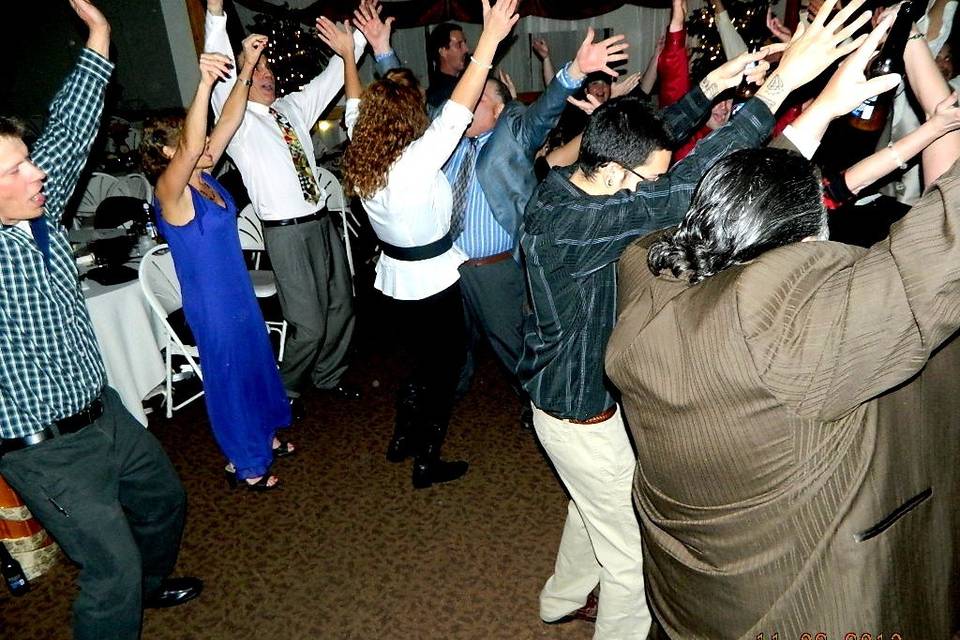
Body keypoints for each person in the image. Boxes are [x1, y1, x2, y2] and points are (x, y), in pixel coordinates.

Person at [517, 3, 898, 637]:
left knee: (595, 507)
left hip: (570, 402)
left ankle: (559, 599)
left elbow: (650, 138)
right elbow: (683, 187)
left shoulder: (573, 182)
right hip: (575, 408)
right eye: (640, 182)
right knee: (629, 552)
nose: (647, 193)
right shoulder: (570, 225)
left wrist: (707, 90)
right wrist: (779, 91)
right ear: (612, 173)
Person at [605, 19, 960, 640]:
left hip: (690, 596)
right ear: (801, 241)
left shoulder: (645, 274)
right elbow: (936, 255)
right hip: (798, 604)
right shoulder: (797, 329)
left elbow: (724, 207)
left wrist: (820, 108)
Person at [0, 2, 201, 638]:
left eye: (28, 159)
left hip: (103, 410)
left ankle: (149, 586)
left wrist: (100, 38)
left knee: (164, 503)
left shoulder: (37, 211)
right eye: (17, 168)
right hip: (44, 447)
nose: (38, 172)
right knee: (107, 570)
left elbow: (70, 130)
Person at [318, 0, 522, 488]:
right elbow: (458, 109)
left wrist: (353, 56)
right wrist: (489, 40)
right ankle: (426, 460)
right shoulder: (415, 161)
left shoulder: (364, 149)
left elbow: (353, 107)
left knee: (417, 364)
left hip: (392, 281)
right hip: (433, 282)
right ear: (406, 118)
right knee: (443, 371)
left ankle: (403, 436)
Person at [203, 0, 396, 414]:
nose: (267, 75)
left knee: (342, 306)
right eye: (258, 71)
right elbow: (221, 72)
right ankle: (284, 390)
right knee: (308, 324)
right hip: (285, 233)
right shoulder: (234, 120)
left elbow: (333, 77)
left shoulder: (290, 109)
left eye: (270, 70)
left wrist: (361, 37)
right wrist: (215, 12)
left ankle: (329, 376)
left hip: (320, 222)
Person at [141, 37, 294, 490]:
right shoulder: (169, 193)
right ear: (169, 153)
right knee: (228, 381)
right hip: (210, 304)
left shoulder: (204, 177)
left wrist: (245, 69)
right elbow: (194, 144)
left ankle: (262, 436)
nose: (207, 143)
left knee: (255, 364)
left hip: (236, 293)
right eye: (191, 139)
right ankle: (245, 464)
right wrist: (204, 83)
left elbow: (228, 120)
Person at [426, 22, 470, 108]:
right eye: (459, 45)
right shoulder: (440, 93)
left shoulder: (461, 79)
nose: (466, 49)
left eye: (464, 43)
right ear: (443, 51)